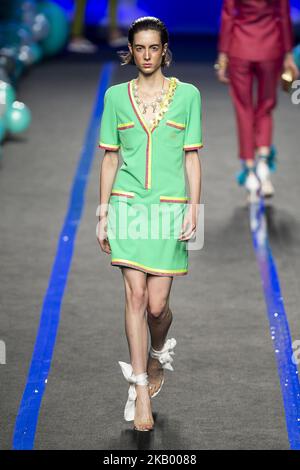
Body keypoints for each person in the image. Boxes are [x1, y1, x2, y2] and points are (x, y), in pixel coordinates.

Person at [96, 17, 203, 431]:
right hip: (127, 207)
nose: (145, 56)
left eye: (152, 48)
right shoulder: (115, 97)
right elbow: (110, 157)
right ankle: (140, 389)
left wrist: (195, 207)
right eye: (138, 48)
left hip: (168, 209)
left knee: (157, 307)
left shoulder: (189, 96)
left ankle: (158, 353)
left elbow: (191, 156)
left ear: (164, 50)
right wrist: (103, 213)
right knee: (135, 297)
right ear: (130, 50)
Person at [216, 0, 299, 202]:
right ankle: (263, 162)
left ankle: (251, 172)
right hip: (270, 48)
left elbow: (229, 15)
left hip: (240, 48)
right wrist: (288, 54)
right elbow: (284, 16)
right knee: (266, 107)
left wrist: (223, 55)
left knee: (243, 109)